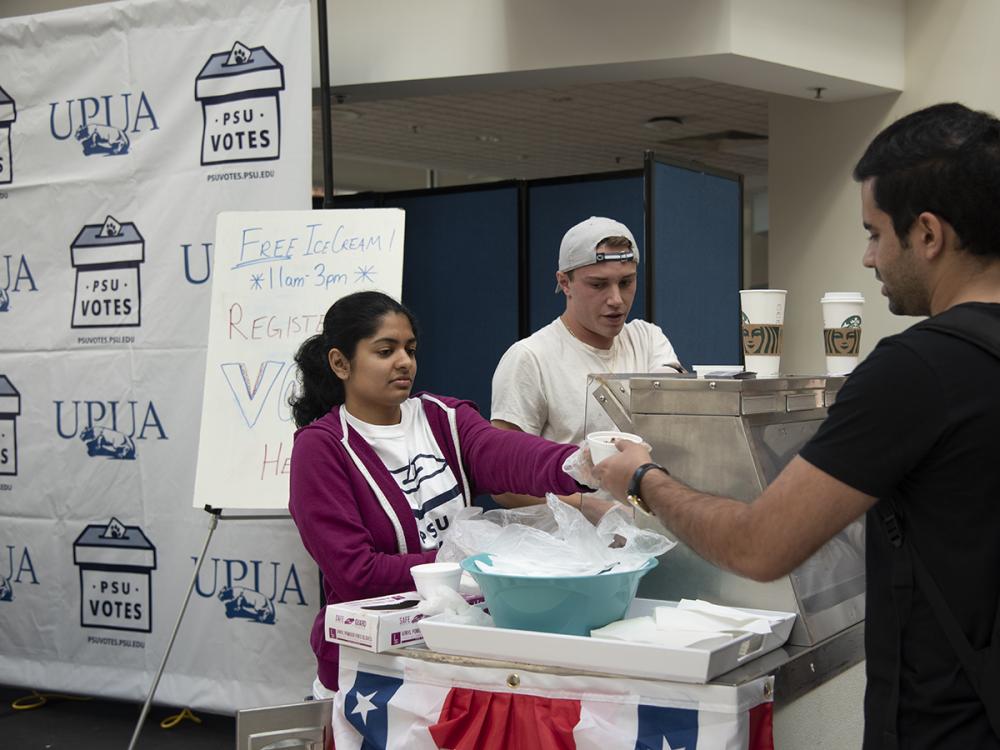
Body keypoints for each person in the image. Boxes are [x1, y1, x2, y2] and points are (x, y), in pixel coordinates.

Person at [591, 102, 1000, 749]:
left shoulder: (919, 369)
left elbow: (760, 546)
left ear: (927, 233)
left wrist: (642, 478)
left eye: (874, 233)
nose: (868, 258)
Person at [287, 291, 588, 699]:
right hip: (369, 673)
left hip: (453, 654)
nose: (404, 362)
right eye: (385, 350)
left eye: (409, 349)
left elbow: (508, 453)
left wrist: (582, 465)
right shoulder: (322, 447)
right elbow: (356, 575)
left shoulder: (443, 418)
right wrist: (469, 563)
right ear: (341, 363)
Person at [490, 216, 682, 511]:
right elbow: (501, 482)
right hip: (564, 547)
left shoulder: (647, 339)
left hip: (641, 535)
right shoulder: (530, 358)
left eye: (626, 282)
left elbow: (675, 421)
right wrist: (586, 506)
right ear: (564, 282)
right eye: (598, 284)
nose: (616, 299)